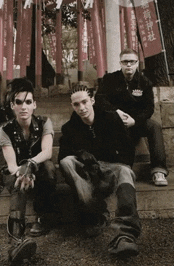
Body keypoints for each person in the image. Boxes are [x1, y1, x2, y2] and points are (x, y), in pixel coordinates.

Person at [58, 84, 141, 257]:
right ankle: (95, 213)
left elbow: (128, 150)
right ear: (72, 105)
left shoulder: (111, 118)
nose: (81, 108)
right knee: (66, 162)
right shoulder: (69, 128)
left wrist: (113, 163)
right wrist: (80, 153)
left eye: (84, 102)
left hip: (111, 168)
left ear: (92, 100)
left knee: (125, 171)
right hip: (88, 173)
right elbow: (62, 157)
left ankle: (125, 234)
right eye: (76, 104)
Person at [0, 78, 56, 263]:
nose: (24, 106)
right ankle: (15, 242)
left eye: (28, 102)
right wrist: (23, 171)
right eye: (19, 102)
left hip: (39, 168)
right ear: (12, 106)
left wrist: (31, 164)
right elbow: (12, 165)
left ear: (34, 105)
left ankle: (44, 218)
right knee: (18, 182)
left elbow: (46, 152)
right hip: (17, 171)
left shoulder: (45, 122)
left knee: (49, 168)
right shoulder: (5, 130)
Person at [95, 48, 168, 186]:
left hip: (136, 123)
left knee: (154, 126)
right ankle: (117, 170)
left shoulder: (145, 82)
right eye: (125, 62)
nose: (128, 65)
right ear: (120, 63)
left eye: (132, 62)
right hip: (115, 122)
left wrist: (135, 120)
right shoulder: (109, 79)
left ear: (137, 64)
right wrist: (116, 112)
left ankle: (159, 170)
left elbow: (149, 108)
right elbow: (100, 99)